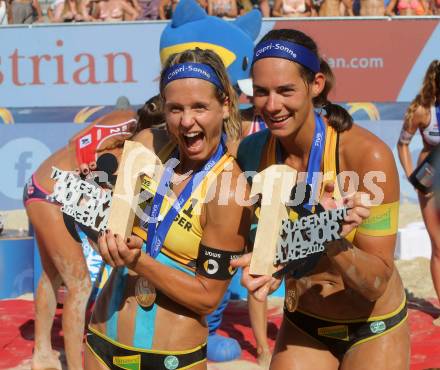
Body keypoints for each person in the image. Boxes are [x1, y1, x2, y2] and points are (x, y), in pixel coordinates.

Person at [232, 28, 410, 370]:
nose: (272, 106)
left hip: (372, 325)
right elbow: (254, 245)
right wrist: (265, 264)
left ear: (315, 85)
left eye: (285, 91)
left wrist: (326, 232)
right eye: (261, 92)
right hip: (304, 322)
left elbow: (375, 283)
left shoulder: (368, 157)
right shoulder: (252, 153)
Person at [85, 48, 251, 370]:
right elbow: (121, 229)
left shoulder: (228, 190)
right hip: (101, 342)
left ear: (226, 106)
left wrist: (139, 261)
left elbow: (208, 297)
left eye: (199, 107)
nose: (186, 121)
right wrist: (96, 207)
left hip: (170, 359)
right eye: (175, 109)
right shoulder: (148, 145)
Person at [25, 101, 139, 370]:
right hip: (55, 192)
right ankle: (77, 366)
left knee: (52, 274)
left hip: (40, 186)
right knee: (81, 286)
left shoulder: (120, 126)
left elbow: (77, 142)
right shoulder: (131, 134)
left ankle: (42, 353)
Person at [397, 60, 440, 325]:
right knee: (438, 246)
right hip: (432, 178)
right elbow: (402, 143)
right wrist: (412, 175)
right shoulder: (422, 110)